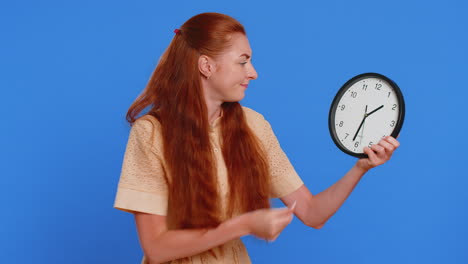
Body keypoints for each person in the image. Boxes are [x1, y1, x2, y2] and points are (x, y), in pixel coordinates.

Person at [113, 12, 400, 264]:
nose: (254, 72)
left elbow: (312, 214)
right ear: (206, 66)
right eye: (243, 61)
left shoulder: (254, 126)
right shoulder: (151, 133)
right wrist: (244, 224)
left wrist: (360, 167)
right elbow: (157, 249)